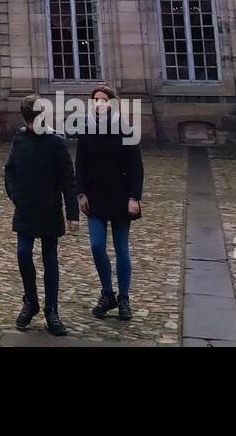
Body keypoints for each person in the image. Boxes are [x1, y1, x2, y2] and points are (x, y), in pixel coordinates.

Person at [5, 93, 79, 336]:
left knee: (50, 261)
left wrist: (73, 214)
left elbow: (68, 180)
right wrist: (14, 194)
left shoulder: (55, 143)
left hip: (49, 209)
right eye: (28, 121)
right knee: (23, 253)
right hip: (25, 208)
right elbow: (10, 171)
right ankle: (31, 302)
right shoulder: (19, 139)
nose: (30, 126)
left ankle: (51, 310)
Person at [75, 84, 143, 321]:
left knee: (122, 249)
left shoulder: (124, 129)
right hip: (95, 198)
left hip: (121, 197)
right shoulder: (86, 129)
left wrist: (134, 197)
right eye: (96, 100)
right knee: (96, 245)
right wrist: (80, 193)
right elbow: (80, 164)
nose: (99, 103)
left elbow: (136, 167)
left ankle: (124, 298)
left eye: (104, 99)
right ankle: (107, 293)